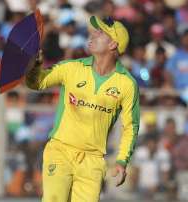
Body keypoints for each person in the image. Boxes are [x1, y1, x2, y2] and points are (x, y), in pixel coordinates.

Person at [25, 16, 140, 202]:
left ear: (113, 45)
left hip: (93, 161)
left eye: (101, 32)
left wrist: (121, 161)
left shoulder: (127, 84)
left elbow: (131, 127)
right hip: (60, 151)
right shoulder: (72, 68)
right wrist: (34, 66)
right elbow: (36, 83)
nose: (93, 34)